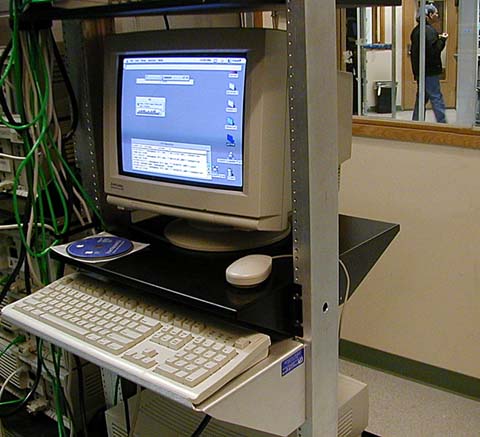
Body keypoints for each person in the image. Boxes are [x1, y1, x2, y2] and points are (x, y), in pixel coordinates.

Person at [410, 3, 448, 123]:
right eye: (435, 13)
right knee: (436, 97)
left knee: (421, 97)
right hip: (430, 71)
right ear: (429, 15)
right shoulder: (429, 31)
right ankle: (442, 123)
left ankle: (416, 122)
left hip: (420, 70)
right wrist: (442, 40)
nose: (437, 15)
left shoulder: (416, 31)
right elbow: (434, 51)